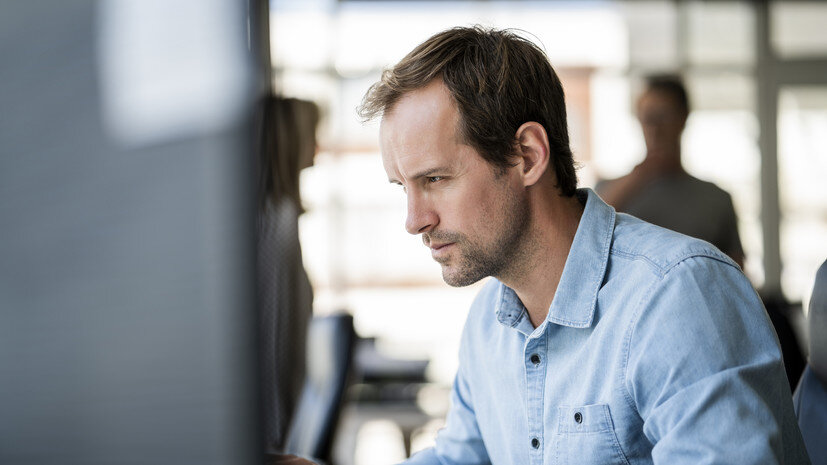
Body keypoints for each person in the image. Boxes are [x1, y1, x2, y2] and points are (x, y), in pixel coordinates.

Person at [357, 26, 809, 464]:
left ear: (527, 156)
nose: (415, 221)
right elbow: (462, 458)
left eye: (435, 179)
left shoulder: (678, 297)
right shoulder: (488, 322)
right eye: (404, 187)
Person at [596, 75, 745, 268]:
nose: (655, 129)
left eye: (663, 117)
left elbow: (737, 277)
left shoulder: (717, 200)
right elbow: (587, 236)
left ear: (683, 118)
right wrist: (642, 174)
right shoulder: (607, 192)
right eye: (647, 118)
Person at [257, 95, 320, 454]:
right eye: (311, 134)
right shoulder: (275, 223)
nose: (317, 145)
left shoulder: (275, 218)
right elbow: (274, 336)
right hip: (275, 429)